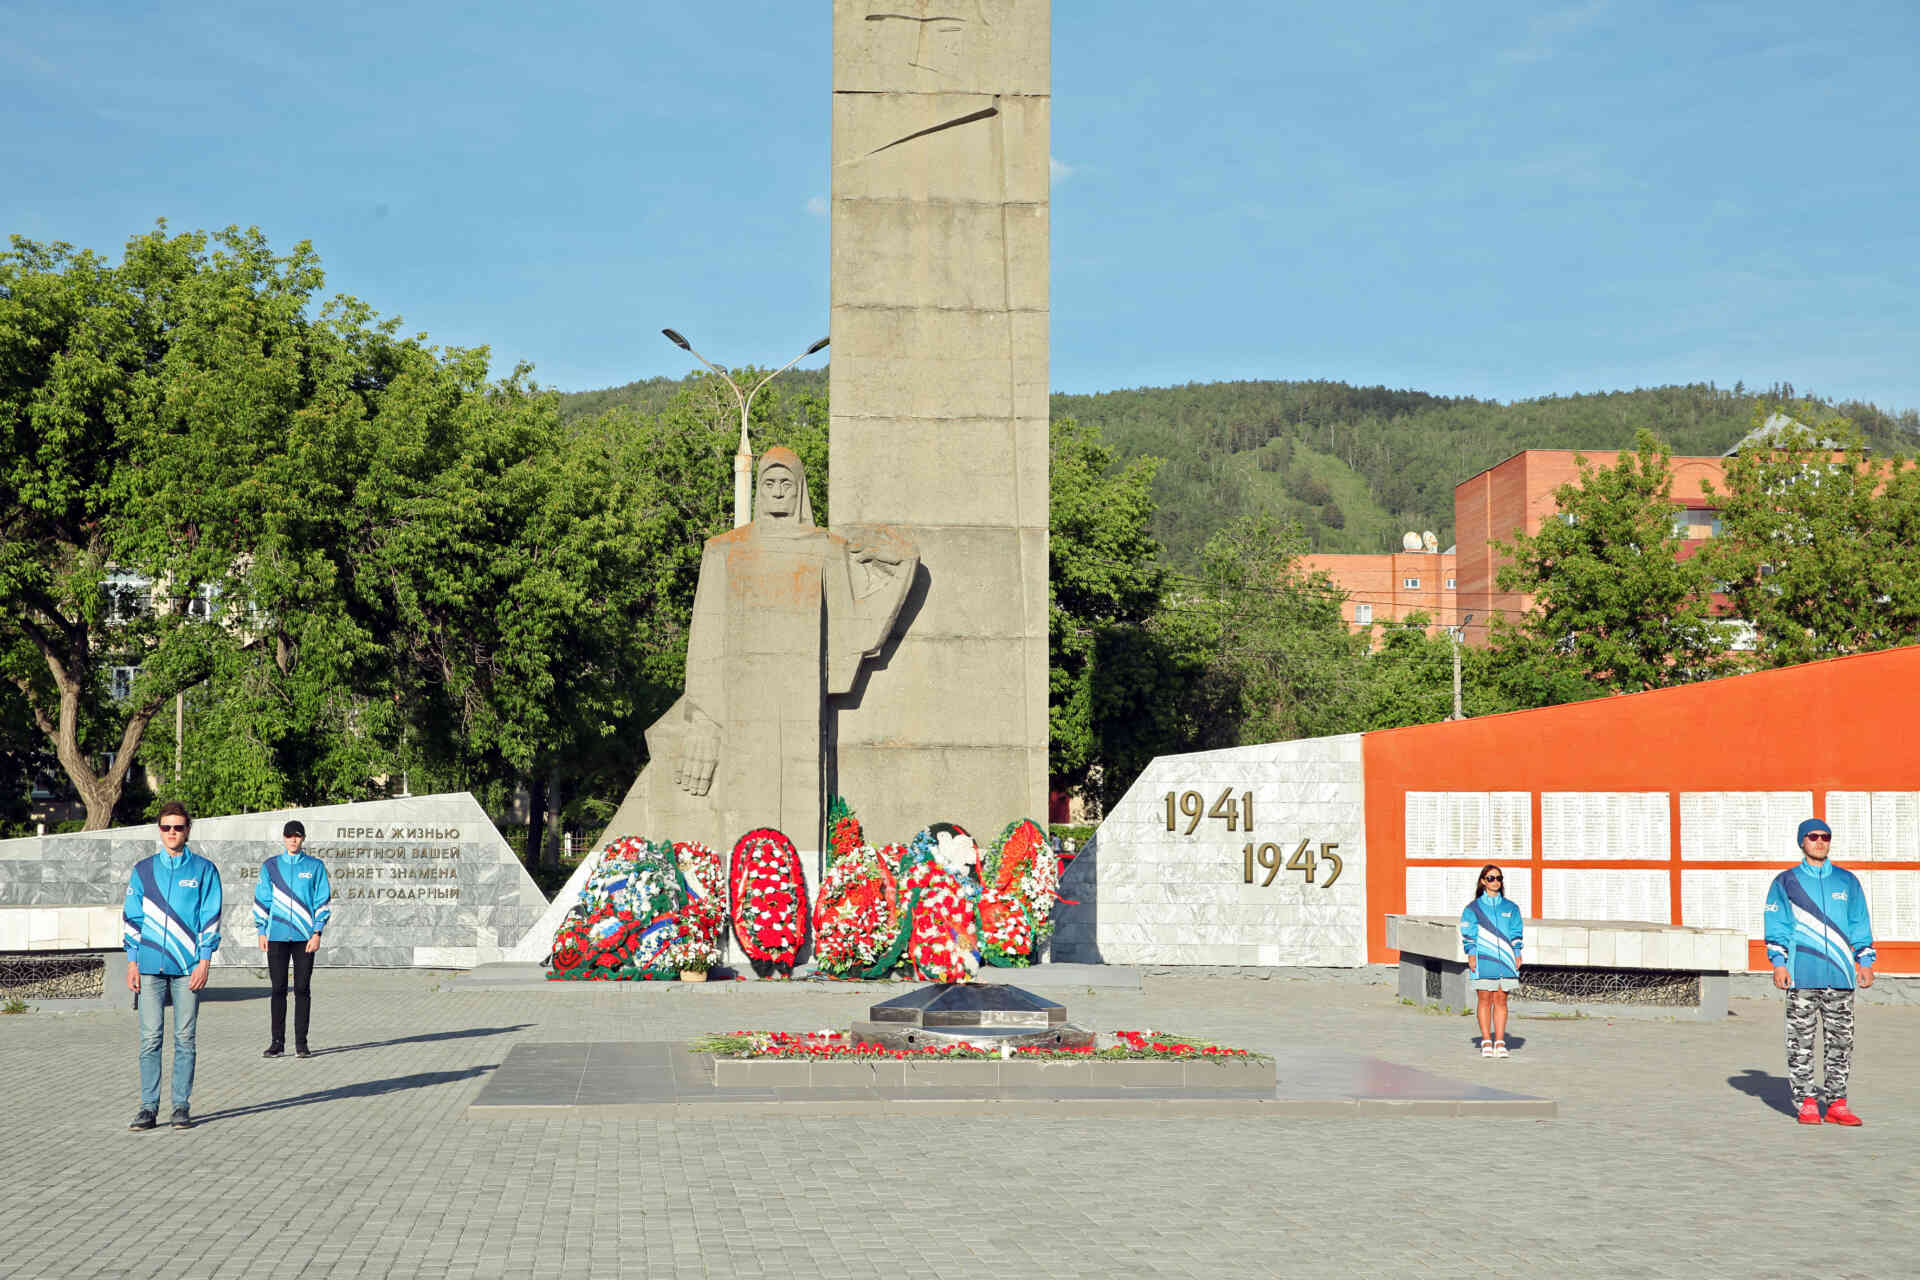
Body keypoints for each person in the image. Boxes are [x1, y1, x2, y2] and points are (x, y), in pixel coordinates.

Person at [1764, 818, 1876, 1125]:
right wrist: (1779, 963)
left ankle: (1837, 1103)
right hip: (1801, 977)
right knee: (1800, 1042)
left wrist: (1865, 962)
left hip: (1840, 976)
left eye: (1825, 836)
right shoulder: (1786, 882)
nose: (1819, 841)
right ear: (1802, 841)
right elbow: (1778, 926)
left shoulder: (1847, 881)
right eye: (1813, 836)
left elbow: (1859, 923)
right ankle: (1806, 1102)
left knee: (1841, 1042)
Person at [122, 801, 223, 1130]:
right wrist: (133, 962)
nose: (172, 833)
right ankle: (148, 1107)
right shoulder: (143, 870)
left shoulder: (204, 870)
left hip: (187, 968)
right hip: (150, 966)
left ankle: (181, 1106)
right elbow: (132, 919)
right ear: (159, 830)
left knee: (185, 1039)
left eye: (178, 827)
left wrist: (204, 960)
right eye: (166, 827)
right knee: (150, 1039)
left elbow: (211, 919)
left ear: (188, 830)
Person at [253, 819, 332, 1058]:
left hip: (304, 937)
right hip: (276, 936)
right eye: (289, 836)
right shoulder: (271, 866)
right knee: (278, 988)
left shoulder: (315, 866)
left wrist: (317, 932)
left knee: (301, 988)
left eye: (297, 836)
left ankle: (301, 1043)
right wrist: (261, 930)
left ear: (303, 838)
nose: (293, 840)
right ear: (284, 838)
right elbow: (262, 900)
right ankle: (277, 1042)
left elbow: (322, 902)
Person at [1460, 864, 1523, 1058]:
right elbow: (1468, 932)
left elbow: (1516, 931)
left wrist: (1517, 952)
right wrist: (1471, 954)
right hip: (1483, 959)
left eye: (1498, 878)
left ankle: (1500, 1042)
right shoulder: (1473, 908)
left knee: (1501, 999)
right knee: (1485, 999)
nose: (1495, 882)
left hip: (1505, 960)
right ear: (1482, 881)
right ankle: (1486, 1040)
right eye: (1491, 878)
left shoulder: (1511, 908)